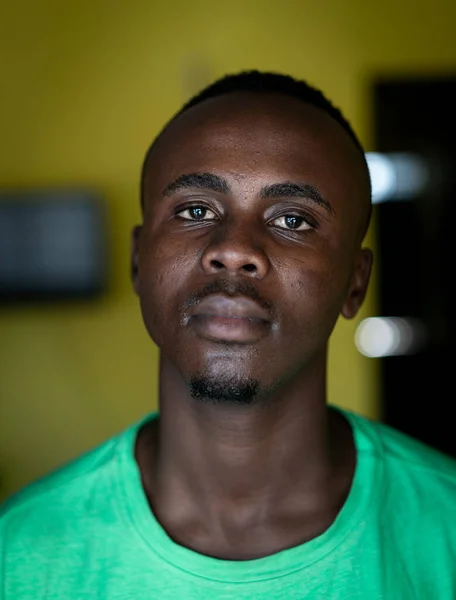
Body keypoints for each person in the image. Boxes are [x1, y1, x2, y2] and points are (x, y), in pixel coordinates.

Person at [1, 70, 456, 599]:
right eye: (196, 211)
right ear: (137, 261)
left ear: (355, 285)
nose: (234, 249)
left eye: (293, 220)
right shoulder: (19, 555)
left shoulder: (445, 530)